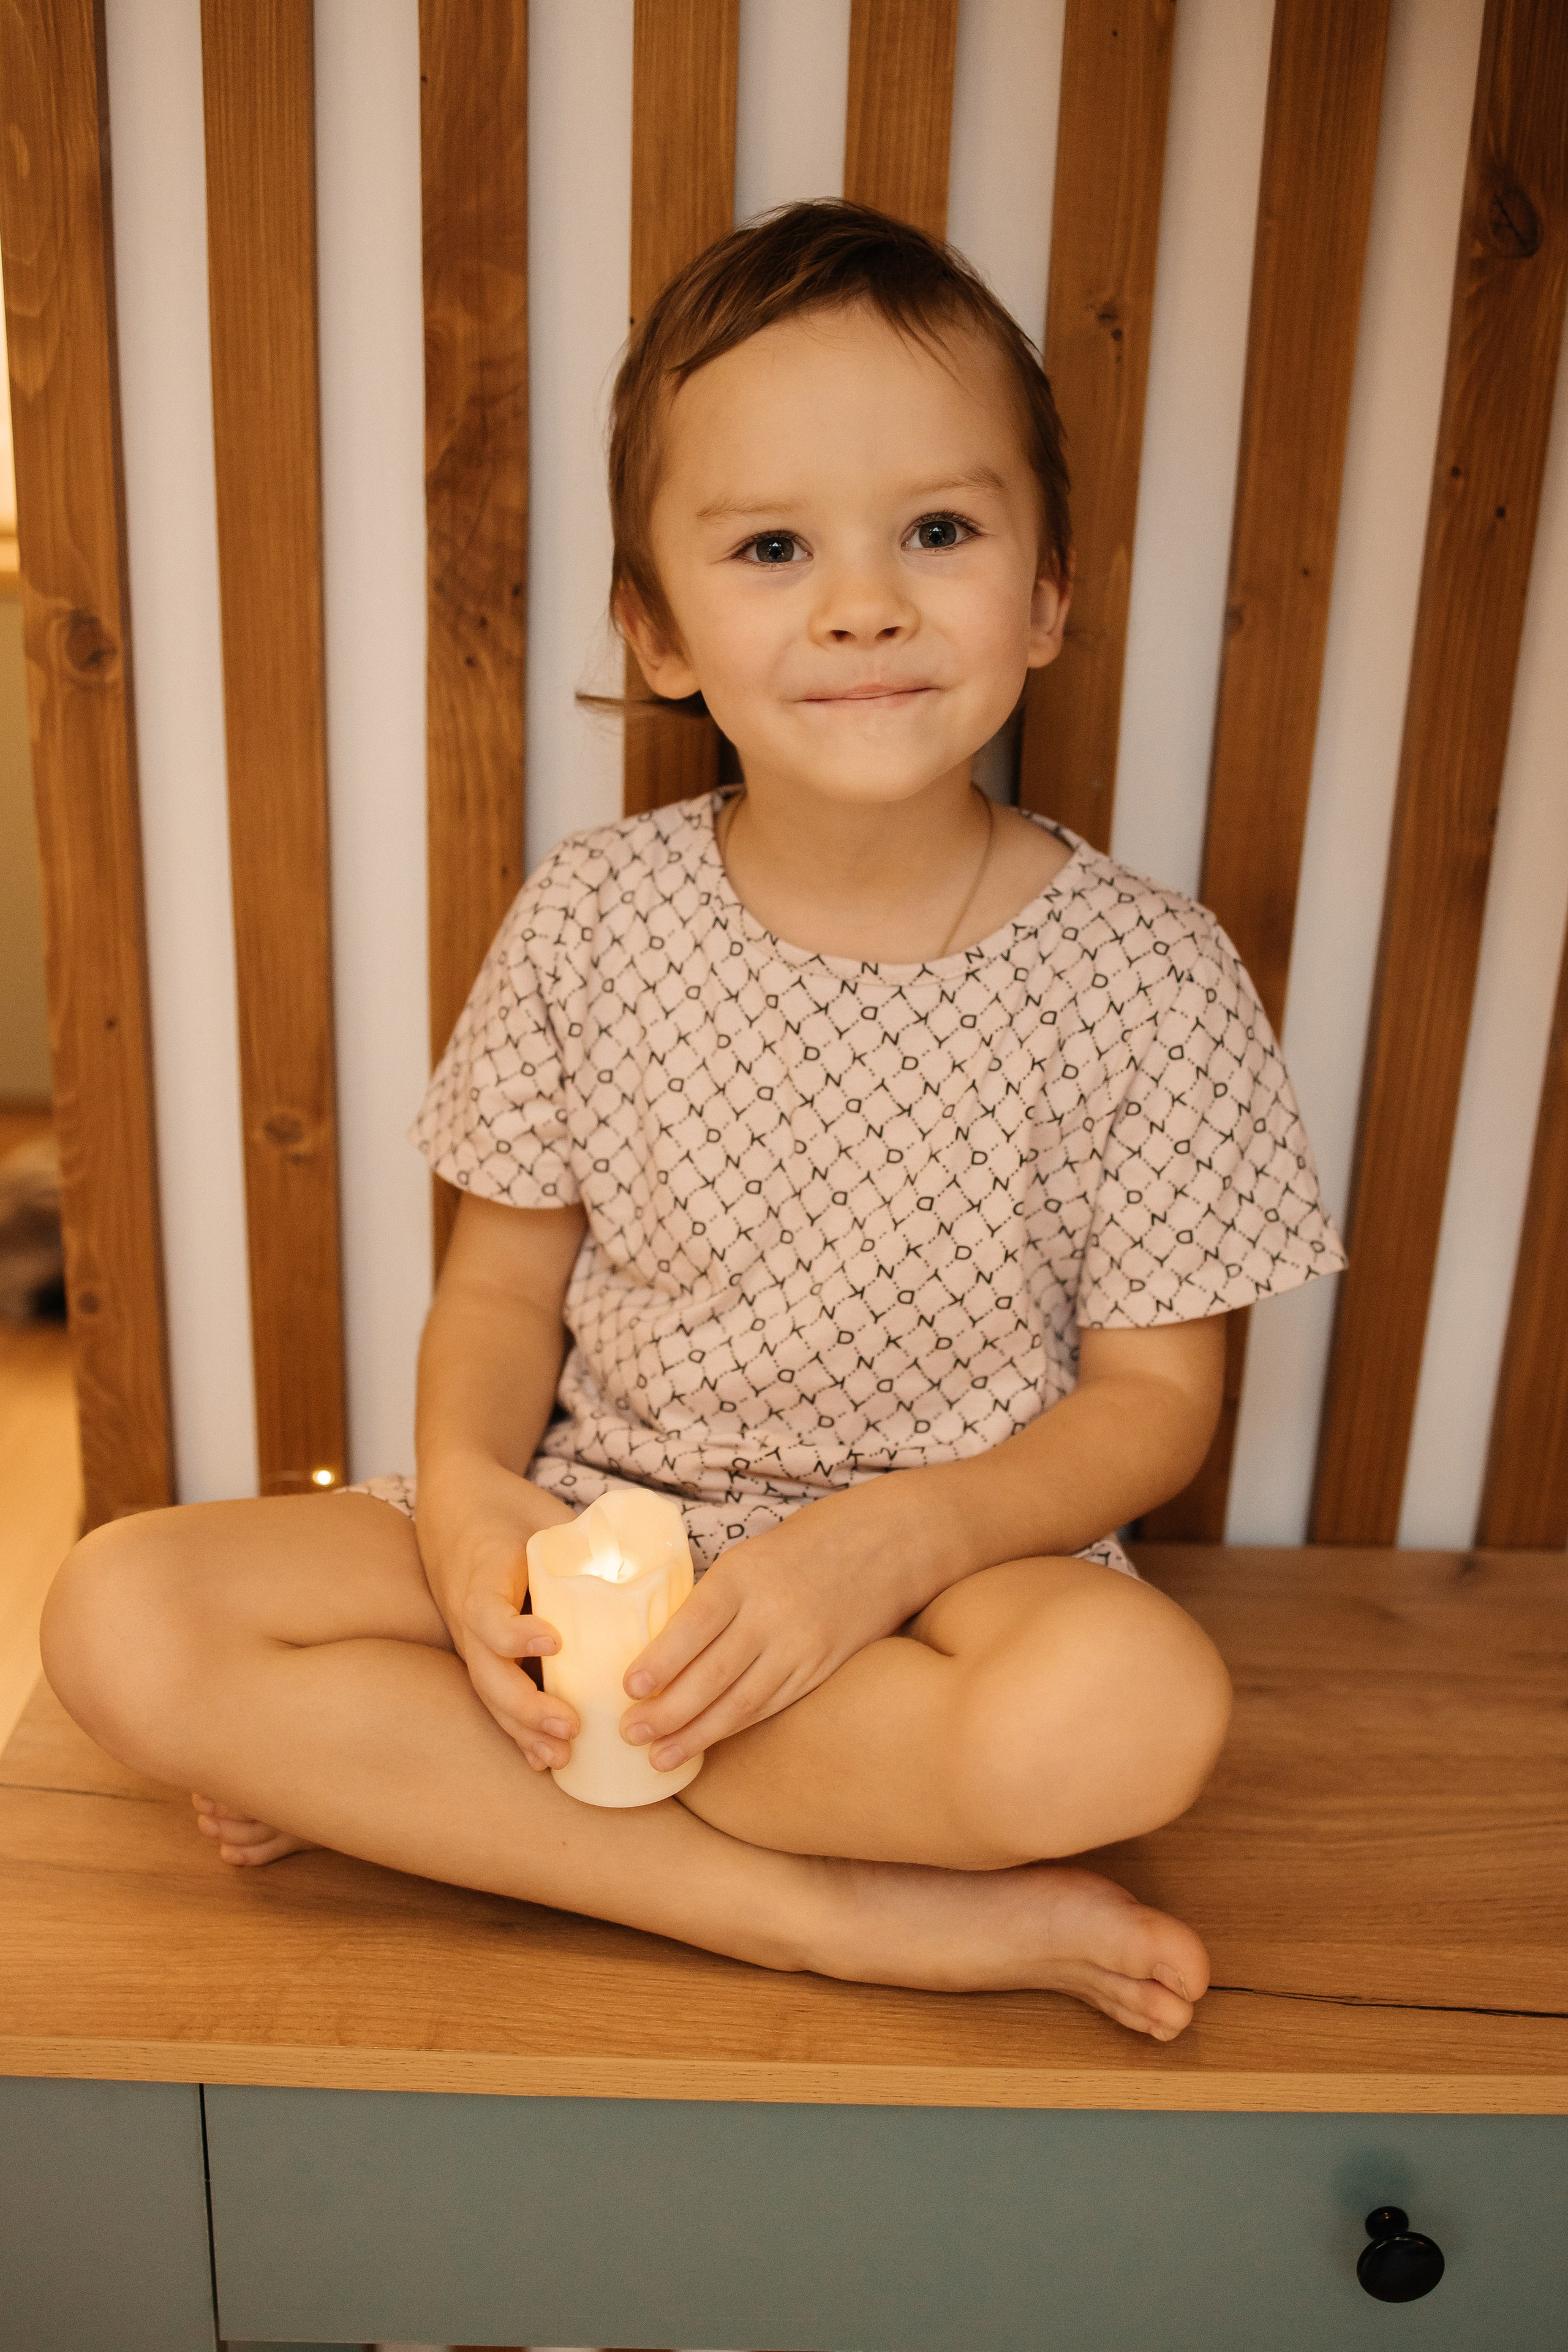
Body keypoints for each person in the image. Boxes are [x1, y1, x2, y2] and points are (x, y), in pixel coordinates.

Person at [42, 202, 1343, 2043]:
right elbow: (500, 1297)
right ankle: (810, 1917)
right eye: (773, 546)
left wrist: (878, 1551)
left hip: (944, 1595)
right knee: (121, 1610)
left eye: (942, 532)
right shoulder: (596, 913)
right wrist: (472, 1516)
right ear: (656, 630)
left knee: (1135, 1714)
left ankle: (435, 1793)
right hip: (602, 1533)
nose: (865, 599)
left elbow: (1154, 1404)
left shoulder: (1146, 972)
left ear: (1047, 594)